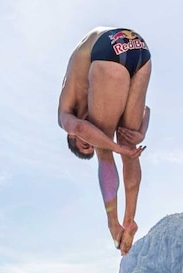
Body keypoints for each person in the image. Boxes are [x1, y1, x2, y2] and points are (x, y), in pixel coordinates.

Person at [58, 27, 152, 255]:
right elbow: (146, 110)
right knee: (130, 142)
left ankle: (114, 225)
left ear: (71, 137)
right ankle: (130, 221)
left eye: (84, 142)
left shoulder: (65, 115)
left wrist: (114, 148)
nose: (92, 139)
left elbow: (81, 127)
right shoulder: (94, 98)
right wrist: (140, 133)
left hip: (105, 48)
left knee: (108, 151)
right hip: (139, 47)